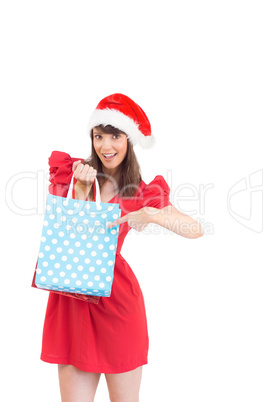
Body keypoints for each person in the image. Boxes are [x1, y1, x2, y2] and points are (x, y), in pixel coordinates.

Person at [38, 93, 203, 402]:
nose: (105, 146)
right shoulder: (72, 174)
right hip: (72, 302)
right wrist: (82, 192)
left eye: (115, 136)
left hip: (117, 305)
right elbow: (67, 236)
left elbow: (195, 230)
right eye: (98, 136)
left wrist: (152, 214)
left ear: (129, 139)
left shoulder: (139, 190)